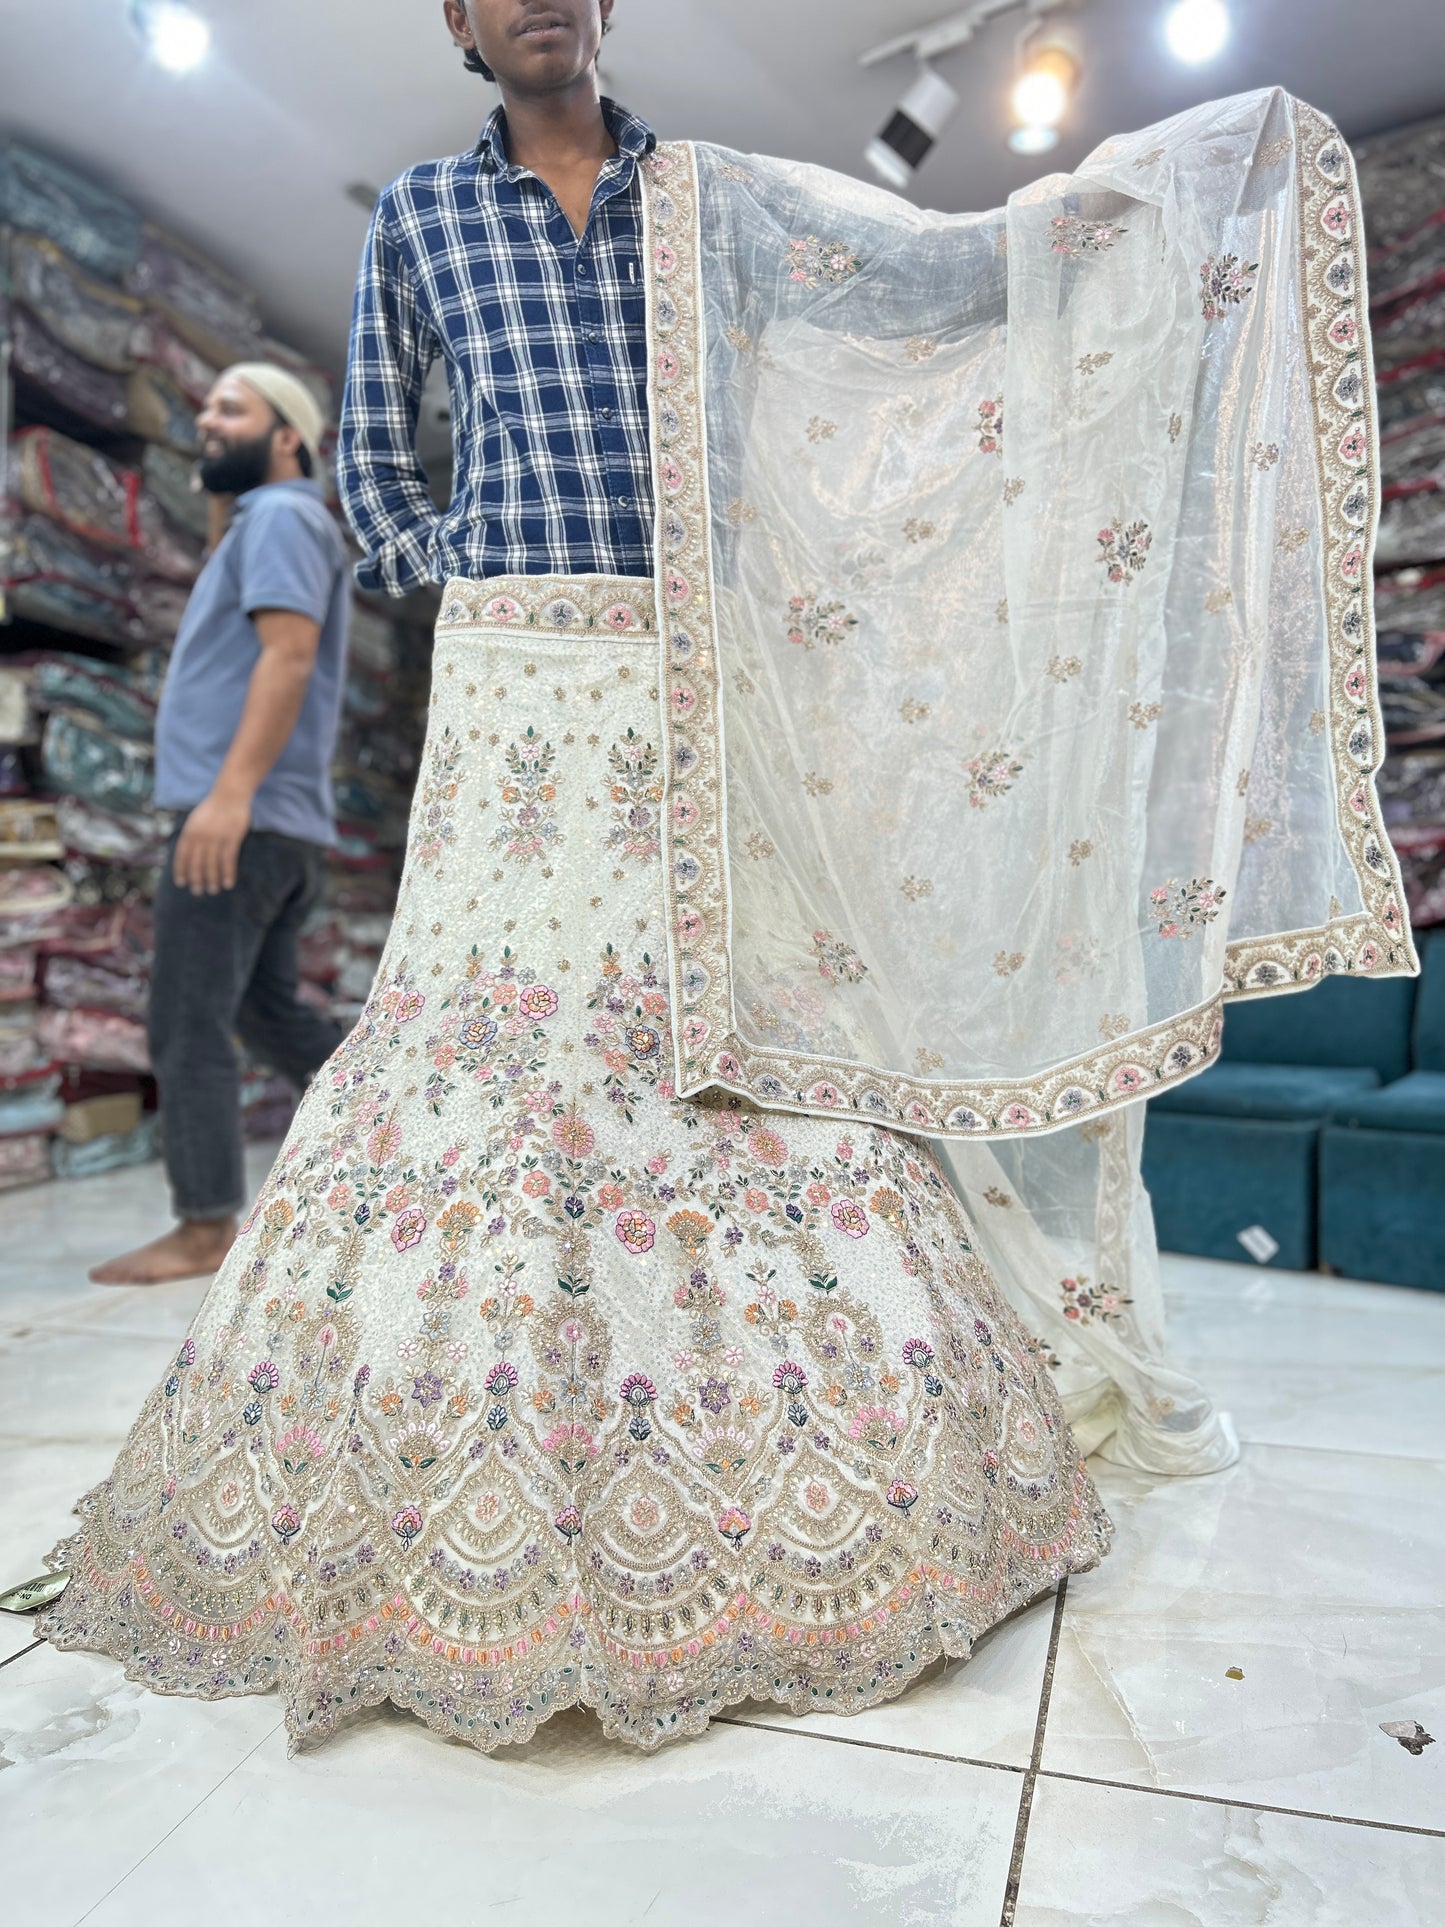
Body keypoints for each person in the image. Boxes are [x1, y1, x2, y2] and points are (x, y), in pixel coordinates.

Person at [38, 0, 1407, 1758]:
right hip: (516, 683)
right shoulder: (423, 218)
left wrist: (1112, 220)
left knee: (743, 1011)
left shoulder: (719, 198)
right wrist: (471, 556)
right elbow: (372, 455)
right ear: (458, 17)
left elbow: (919, 297)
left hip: (704, 678)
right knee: (491, 1033)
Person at [90, 365, 350, 1286]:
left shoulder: (281, 518)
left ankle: (205, 1227)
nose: (206, 416)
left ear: (288, 438)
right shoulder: (266, 521)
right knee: (264, 1009)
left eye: (230, 408)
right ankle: (402, 1127)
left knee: (186, 1016)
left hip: (241, 819)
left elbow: (288, 655)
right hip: (274, 824)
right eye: (204, 404)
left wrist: (229, 796)